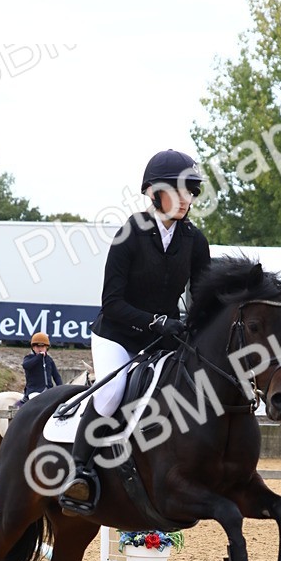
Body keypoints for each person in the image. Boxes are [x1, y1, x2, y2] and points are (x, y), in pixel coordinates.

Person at [60, 148, 211, 511]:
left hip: (164, 340)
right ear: (154, 194)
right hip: (118, 335)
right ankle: (80, 475)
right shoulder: (130, 234)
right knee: (111, 394)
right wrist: (158, 321)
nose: (186, 199)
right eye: (179, 191)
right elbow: (111, 302)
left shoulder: (194, 240)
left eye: (191, 191)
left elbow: (204, 297)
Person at [22, 331, 62, 398]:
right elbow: (26, 366)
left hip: (48, 391)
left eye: (42, 346)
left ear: (46, 347)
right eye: (37, 346)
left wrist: (61, 388)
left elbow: (56, 376)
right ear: (33, 348)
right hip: (34, 391)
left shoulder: (49, 360)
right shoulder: (29, 357)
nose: (40, 349)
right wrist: (39, 357)